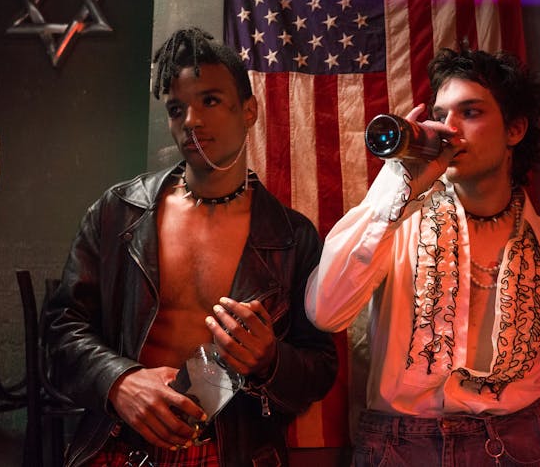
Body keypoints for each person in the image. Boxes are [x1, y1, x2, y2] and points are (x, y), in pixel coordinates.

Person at [42, 27, 338, 467]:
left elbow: (320, 369)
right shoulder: (120, 212)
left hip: (231, 450)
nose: (192, 121)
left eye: (210, 101)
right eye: (177, 109)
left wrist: (270, 360)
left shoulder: (291, 237)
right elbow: (60, 330)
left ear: (250, 110)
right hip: (120, 441)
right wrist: (120, 382)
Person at [305, 44, 540, 466]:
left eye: (470, 113)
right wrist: (396, 188)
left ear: (514, 130)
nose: (450, 129)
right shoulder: (396, 225)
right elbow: (324, 311)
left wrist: (506, 424)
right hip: (399, 450)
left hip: (511, 448)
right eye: (441, 115)